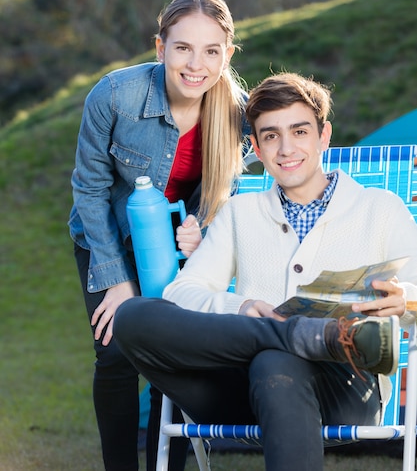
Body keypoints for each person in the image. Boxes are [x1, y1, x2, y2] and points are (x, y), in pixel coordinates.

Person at [113, 72, 417, 471]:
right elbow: (182, 294)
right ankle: (302, 334)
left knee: (275, 361)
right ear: (255, 146)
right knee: (134, 316)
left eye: (300, 131)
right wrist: (242, 307)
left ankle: (302, 340)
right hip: (238, 390)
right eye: (271, 136)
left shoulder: (381, 208)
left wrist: (406, 299)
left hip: (343, 389)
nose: (286, 147)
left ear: (323, 136)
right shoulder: (240, 213)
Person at [68, 0, 251, 471]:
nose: (197, 64)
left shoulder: (238, 115)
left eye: (212, 51)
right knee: (114, 352)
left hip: (175, 246)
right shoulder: (114, 96)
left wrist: (201, 227)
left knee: (170, 359)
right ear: (160, 47)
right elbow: (88, 189)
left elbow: (226, 188)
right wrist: (117, 280)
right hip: (107, 235)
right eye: (183, 48)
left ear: (227, 55)